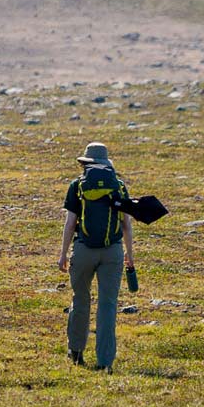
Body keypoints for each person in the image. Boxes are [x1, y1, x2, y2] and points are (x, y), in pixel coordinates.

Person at [58, 142, 136, 371]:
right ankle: (105, 361)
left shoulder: (77, 186)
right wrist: (129, 254)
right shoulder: (118, 186)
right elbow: (126, 224)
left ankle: (76, 351)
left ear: (85, 163)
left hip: (83, 250)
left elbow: (70, 223)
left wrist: (63, 253)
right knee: (108, 305)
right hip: (112, 251)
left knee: (81, 299)